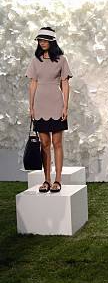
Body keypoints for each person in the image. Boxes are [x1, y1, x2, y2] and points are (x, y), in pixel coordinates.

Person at [26, 27, 72, 193]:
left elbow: (65, 83)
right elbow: (32, 83)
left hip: (56, 104)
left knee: (57, 143)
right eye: (40, 40)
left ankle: (58, 180)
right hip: (40, 105)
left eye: (45, 40)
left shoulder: (61, 59)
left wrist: (65, 106)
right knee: (44, 144)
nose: (42, 43)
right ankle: (47, 180)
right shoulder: (35, 60)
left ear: (52, 41)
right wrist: (31, 106)